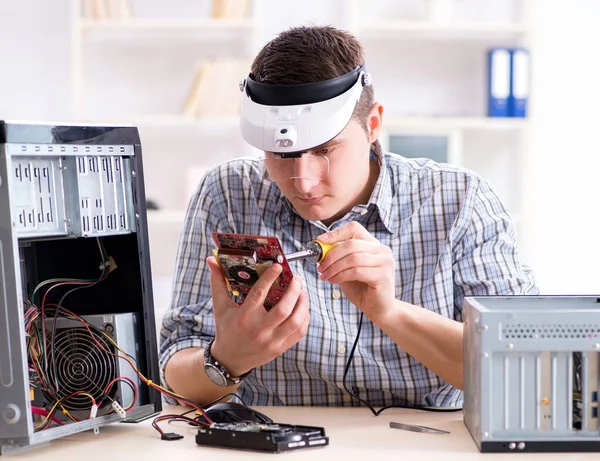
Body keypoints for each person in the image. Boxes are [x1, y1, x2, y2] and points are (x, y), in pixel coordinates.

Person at [159, 25, 538, 409]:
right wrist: (228, 359)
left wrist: (390, 313)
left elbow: (523, 373)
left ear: (373, 125)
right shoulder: (228, 193)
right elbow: (174, 370)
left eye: (324, 150)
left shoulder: (461, 201)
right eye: (280, 154)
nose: (302, 181)